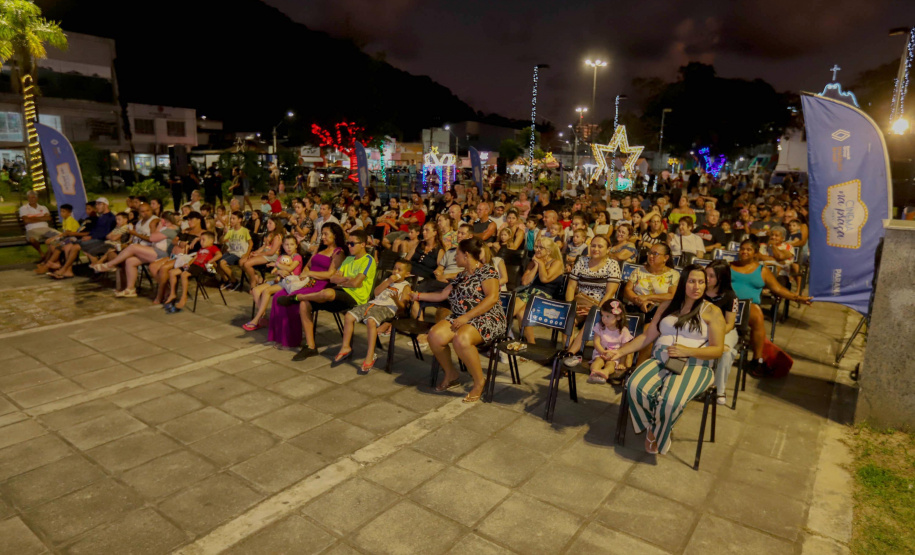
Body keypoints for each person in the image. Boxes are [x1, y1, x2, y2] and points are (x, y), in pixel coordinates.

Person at [608, 264, 726, 454]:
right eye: (692, 281)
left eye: (701, 282)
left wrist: (688, 351)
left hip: (696, 364)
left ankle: (658, 432)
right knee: (635, 385)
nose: (697, 287)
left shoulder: (712, 312)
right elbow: (647, 337)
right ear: (683, 283)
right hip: (661, 359)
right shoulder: (667, 306)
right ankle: (659, 424)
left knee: (671, 400)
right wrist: (619, 352)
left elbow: (718, 350)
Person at [411, 238, 505, 402]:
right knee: (434, 335)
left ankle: (479, 381)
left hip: (487, 317)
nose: (454, 258)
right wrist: (417, 295)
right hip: (460, 316)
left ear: (466, 255)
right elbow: (442, 295)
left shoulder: (487, 271)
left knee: (461, 339)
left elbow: (492, 298)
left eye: (457, 254)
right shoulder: (461, 275)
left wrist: (466, 317)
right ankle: (451, 373)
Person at [284, 229, 377, 361]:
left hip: (356, 297)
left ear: (362, 244)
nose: (349, 246)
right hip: (340, 292)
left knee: (327, 292)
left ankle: (298, 297)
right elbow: (333, 279)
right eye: (348, 243)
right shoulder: (349, 259)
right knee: (305, 305)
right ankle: (310, 347)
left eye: (352, 244)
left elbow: (356, 283)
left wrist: (344, 279)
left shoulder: (368, 260)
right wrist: (345, 279)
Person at [729, 239, 812, 374]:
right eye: (742, 249)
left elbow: (778, 289)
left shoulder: (762, 270)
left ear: (755, 253)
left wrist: (798, 298)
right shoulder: (729, 266)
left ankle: (757, 360)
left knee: (757, 316)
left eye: (749, 249)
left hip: (748, 306)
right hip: (728, 304)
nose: (744, 252)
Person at [268, 222, 346, 350]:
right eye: (322, 234)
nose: (323, 237)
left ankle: (290, 340)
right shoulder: (320, 248)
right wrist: (303, 275)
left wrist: (310, 273)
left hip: (321, 284)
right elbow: (307, 266)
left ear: (335, 236)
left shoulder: (338, 252)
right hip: (306, 281)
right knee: (278, 296)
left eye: (326, 234)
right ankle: (280, 337)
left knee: (291, 302)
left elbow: (330, 274)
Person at [335, 260, 413, 373]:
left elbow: (402, 307)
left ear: (407, 274)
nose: (395, 271)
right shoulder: (387, 280)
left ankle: (370, 355)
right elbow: (376, 292)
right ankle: (346, 346)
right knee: (349, 316)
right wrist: (387, 282)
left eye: (399, 270)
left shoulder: (405, 287)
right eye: (394, 268)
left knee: (371, 321)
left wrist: (396, 300)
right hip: (373, 304)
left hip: (388, 308)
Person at [244, 236, 304, 331]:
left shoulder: (297, 257)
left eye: (292, 244)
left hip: (288, 282)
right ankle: (262, 316)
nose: (289, 247)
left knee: (267, 291)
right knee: (255, 290)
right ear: (283, 246)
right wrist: (279, 271)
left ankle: (256, 320)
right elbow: (274, 271)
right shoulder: (281, 256)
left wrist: (276, 265)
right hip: (278, 279)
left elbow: (289, 269)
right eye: (286, 244)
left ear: (296, 245)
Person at [50, 197, 116, 279]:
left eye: (99, 204)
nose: (97, 206)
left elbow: (104, 233)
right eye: (96, 204)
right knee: (70, 246)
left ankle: (64, 269)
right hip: (94, 239)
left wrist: (90, 236)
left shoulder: (109, 217)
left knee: (72, 245)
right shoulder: (102, 217)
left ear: (105, 205)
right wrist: (89, 236)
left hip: (102, 241)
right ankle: (67, 270)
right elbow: (95, 230)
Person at [704, 260, 739, 405]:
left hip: (724, 331)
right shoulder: (698, 290)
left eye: (711, 276)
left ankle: (720, 390)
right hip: (700, 329)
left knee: (725, 352)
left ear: (721, 278)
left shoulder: (731, 296)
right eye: (706, 274)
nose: (707, 279)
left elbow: (730, 324)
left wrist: (715, 335)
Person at [164, 231, 222, 313]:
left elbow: (219, 255)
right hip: (193, 265)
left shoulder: (213, 248)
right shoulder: (201, 249)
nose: (201, 242)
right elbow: (195, 258)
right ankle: (173, 294)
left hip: (201, 267)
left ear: (211, 241)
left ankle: (184, 297)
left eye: (203, 240)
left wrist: (210, 262)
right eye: (200, 240)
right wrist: (188, 264)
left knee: (184, 275)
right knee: (172, 272)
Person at [587, 299, 633, 385]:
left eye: (608, 316)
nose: (604, 319)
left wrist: (622, 363)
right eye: (602, 315)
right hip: (600, 353)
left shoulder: (623, 331)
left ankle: (605, 372)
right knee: (598, 361)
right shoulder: (600, 326)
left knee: (611, 364)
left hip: (614, 355)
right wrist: (603, 352)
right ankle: (594, 372)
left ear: (618, 317)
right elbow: (596, 342)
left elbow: (625, 349)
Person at [240, 217, 284, 288]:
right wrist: (255, 252)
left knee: (247, 264)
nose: (267, 225)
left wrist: (258, 254)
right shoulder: (269, 234)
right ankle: (257, 277)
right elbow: (263, 247)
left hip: (271, 256)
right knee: (242, 261)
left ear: (276, 225)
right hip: (264, 253)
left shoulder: (278, 237)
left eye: (270, 223)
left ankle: (253, 282)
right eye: (267, 223)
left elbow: (272, 252)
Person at [20, 190, 55, 257]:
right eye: (29, 198)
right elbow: (26, 220)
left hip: (46, 229)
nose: (31, 199)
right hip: (32, 229)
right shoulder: (24, 208)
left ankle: (48, 255)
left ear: (37, 198)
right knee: (32, 240)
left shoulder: (43, 207)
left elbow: (48, 218)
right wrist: (42, 217)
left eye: (33, 197)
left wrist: (32, 218)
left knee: (60, 236)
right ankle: (41, 253)